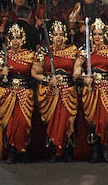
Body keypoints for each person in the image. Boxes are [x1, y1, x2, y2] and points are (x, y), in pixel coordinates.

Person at [73, 18, 108, 162]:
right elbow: (76, 68)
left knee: (105, 119)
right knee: (92, 120)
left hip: (107, 88)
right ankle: (95, 149)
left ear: (105, 35)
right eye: (95, 34)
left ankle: (105, 145)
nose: (97, 37)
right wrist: (82, 76)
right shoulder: (85, 51)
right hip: (90, 88)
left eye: (100, 34)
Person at [31, 21, 79, 162]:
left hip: (68, 91)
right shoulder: (43, 52)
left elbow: (78, 66)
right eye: (56, 35)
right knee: (52, 120)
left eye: (61, 35)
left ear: (65, 36)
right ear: (51, 36)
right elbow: (35, 72)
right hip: (49, 92)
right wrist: (47, 80)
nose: (58, 38)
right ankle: (53, 149)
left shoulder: (72, 50)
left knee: (67, 121)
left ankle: (66, 150)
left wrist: (77, 73)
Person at [0, 24, 37, 163]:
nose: (15, 41)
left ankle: (23, 149)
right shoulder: (3, 55)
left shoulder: (30, 55)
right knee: (10, 123)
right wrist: (1, 73)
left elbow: (35, 74)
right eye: (13, 38)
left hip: (25, 92)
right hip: (8, 93)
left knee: (24, 122)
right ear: (9, 40)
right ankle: (11, 150)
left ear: (22, 39)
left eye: (18, 38)